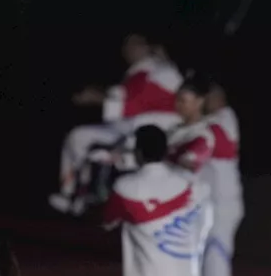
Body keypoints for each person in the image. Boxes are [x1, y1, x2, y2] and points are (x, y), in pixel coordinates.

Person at [103, 124, 218, 276]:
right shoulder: (193, 184)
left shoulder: (125, 187)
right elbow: (205, 222)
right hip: (188, 274)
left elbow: (108, 221)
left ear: (138, 153)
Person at [53, 33, 184, 212]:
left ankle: (102, 194)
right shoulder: (134, 75)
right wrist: (94, 94)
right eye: (127, 44)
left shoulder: (161, 70)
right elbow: (117, 99)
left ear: (148, 47)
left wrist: (96, 98)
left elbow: (140, 103)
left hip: (151, 135)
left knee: (103, 155)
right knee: (78, 137)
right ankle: (72, 193)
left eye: (136, 43)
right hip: (124, 130)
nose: (129, 48)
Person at [200, 82, 244, 276]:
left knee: (216, 260)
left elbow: (218, 142)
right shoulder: (206, 124)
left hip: (223, 204)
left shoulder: (224, 118)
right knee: (208, 262)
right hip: (208, 204)